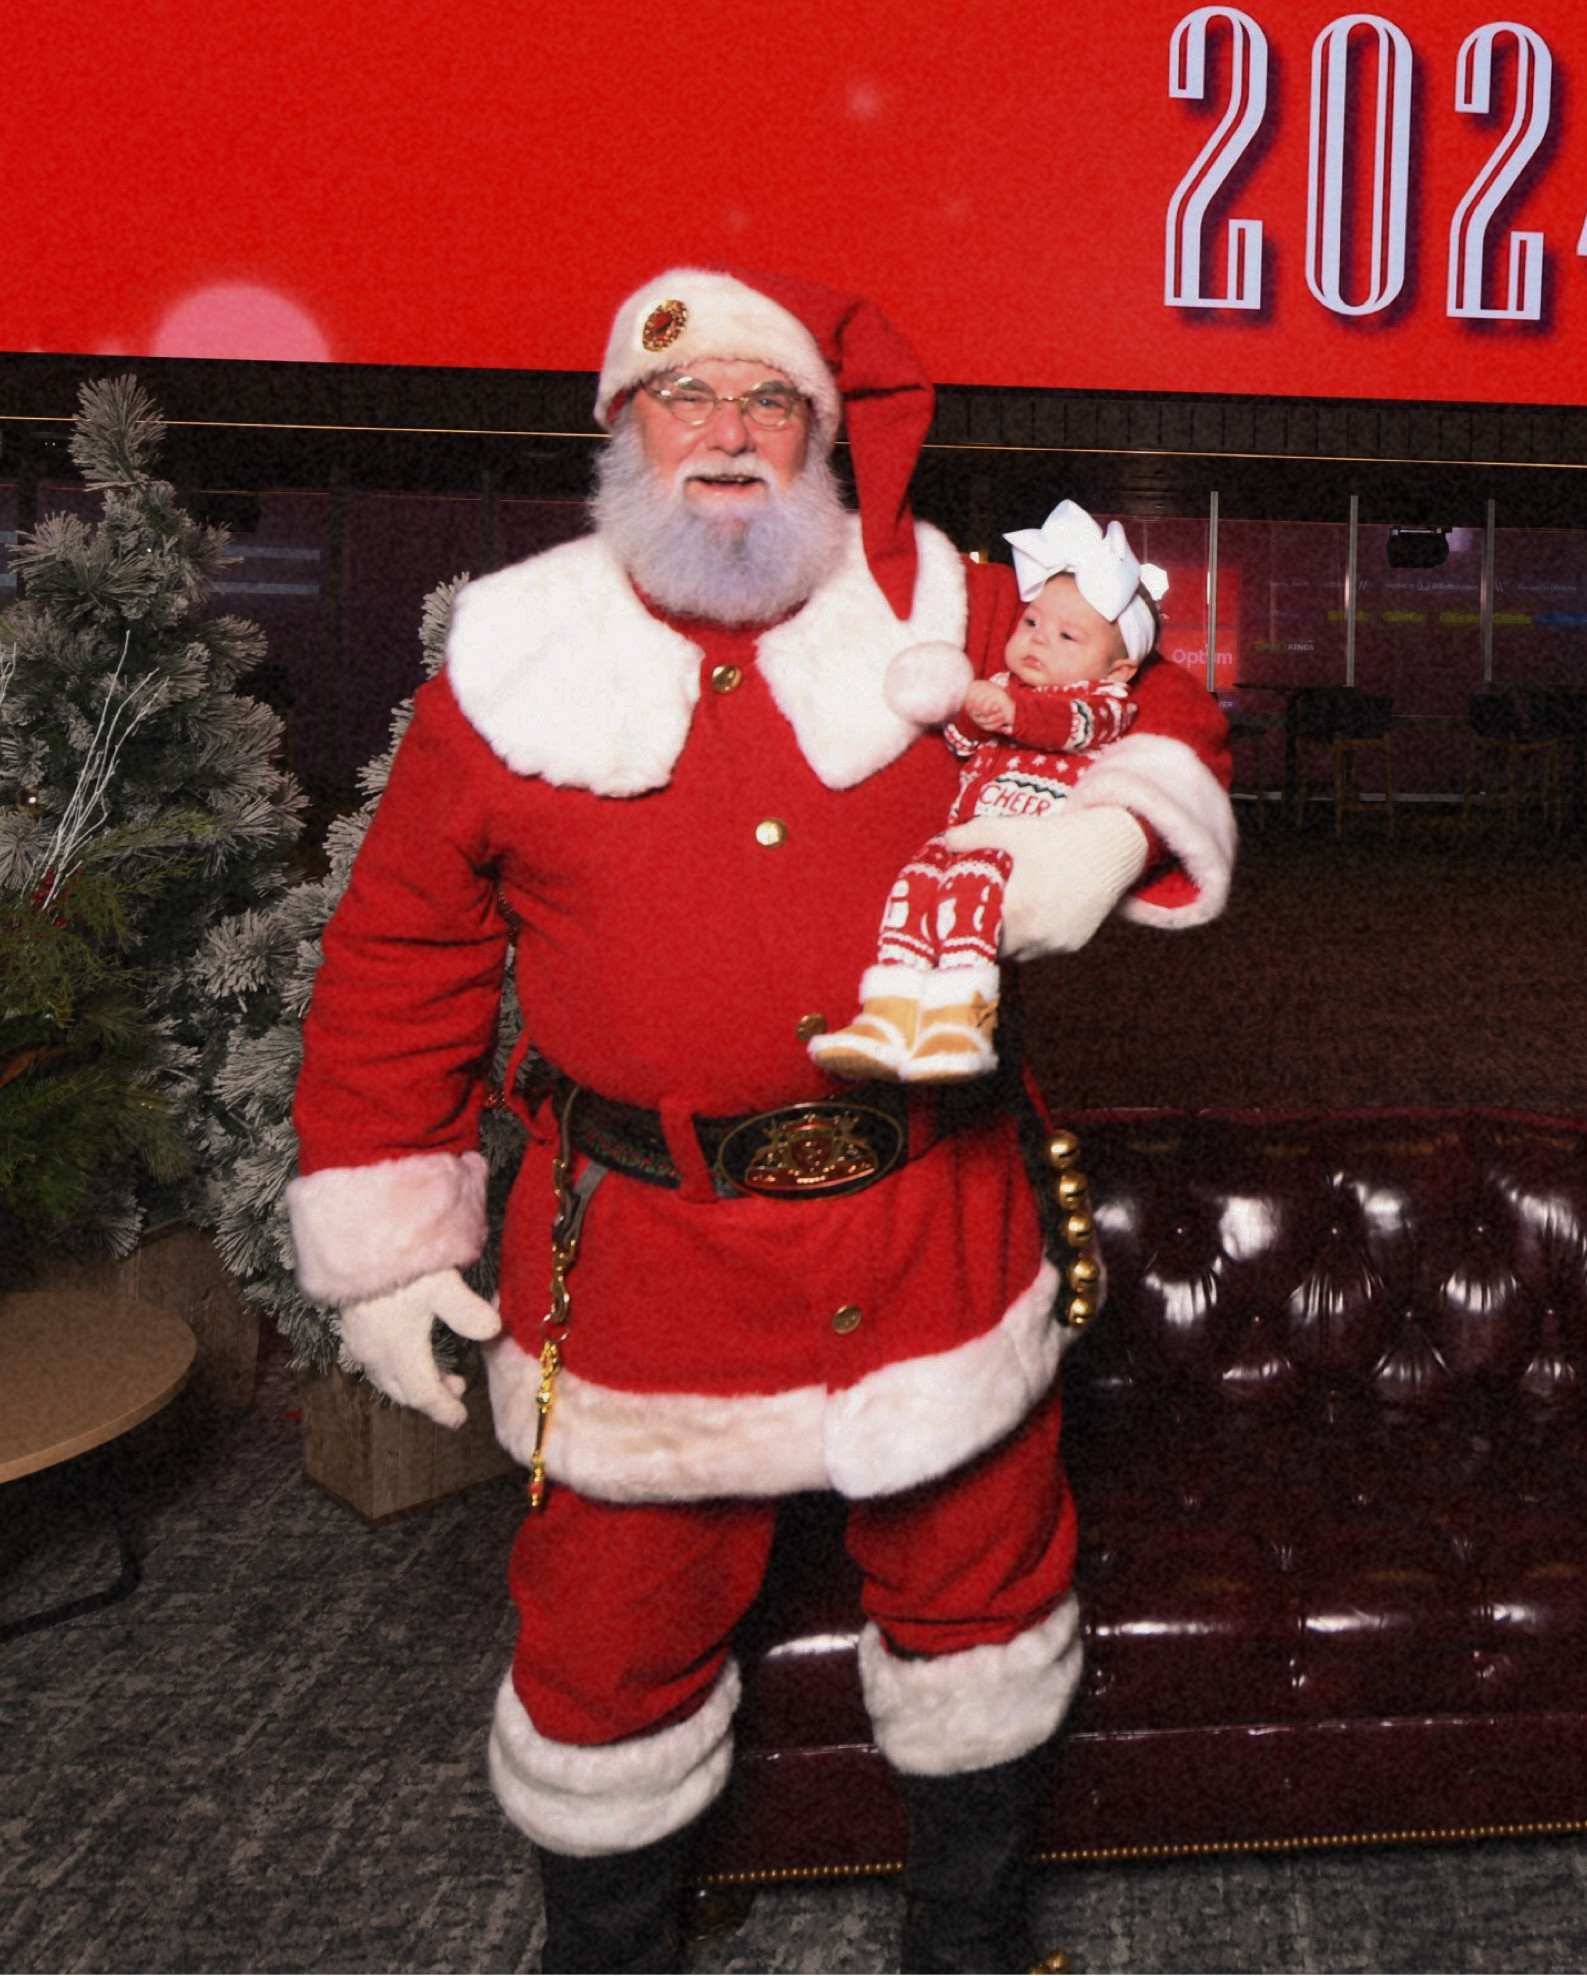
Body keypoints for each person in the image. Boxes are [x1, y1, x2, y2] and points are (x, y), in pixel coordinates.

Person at [285, 266, 1234, 1974]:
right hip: (641, 1261)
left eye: (766, 402)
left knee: (985, 1610)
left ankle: (964, 1946)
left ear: (818, 438)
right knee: (603, 1658)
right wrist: (384, 1250)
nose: (724, 435)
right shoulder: (509, 660)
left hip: (927, 1231)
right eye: (682, 399)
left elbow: (1157, 689)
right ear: (618, 435)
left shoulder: (943, 599)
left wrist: (1115, 822)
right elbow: (399, 960)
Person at [808, 499, 1169, 1085]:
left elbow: (1073, 726)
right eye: (1031, 623)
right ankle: (890, 1013)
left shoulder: (1106, 702)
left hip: (1025, 841)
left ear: (1119, 669)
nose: (1038, 641)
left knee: (970, 909)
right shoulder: (1005, 682)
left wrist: (1013, 712)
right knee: (914, 889)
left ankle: (963, 1019)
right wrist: (974, 712)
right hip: (963, 829)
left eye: (1067, 635)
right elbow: (959, 740)